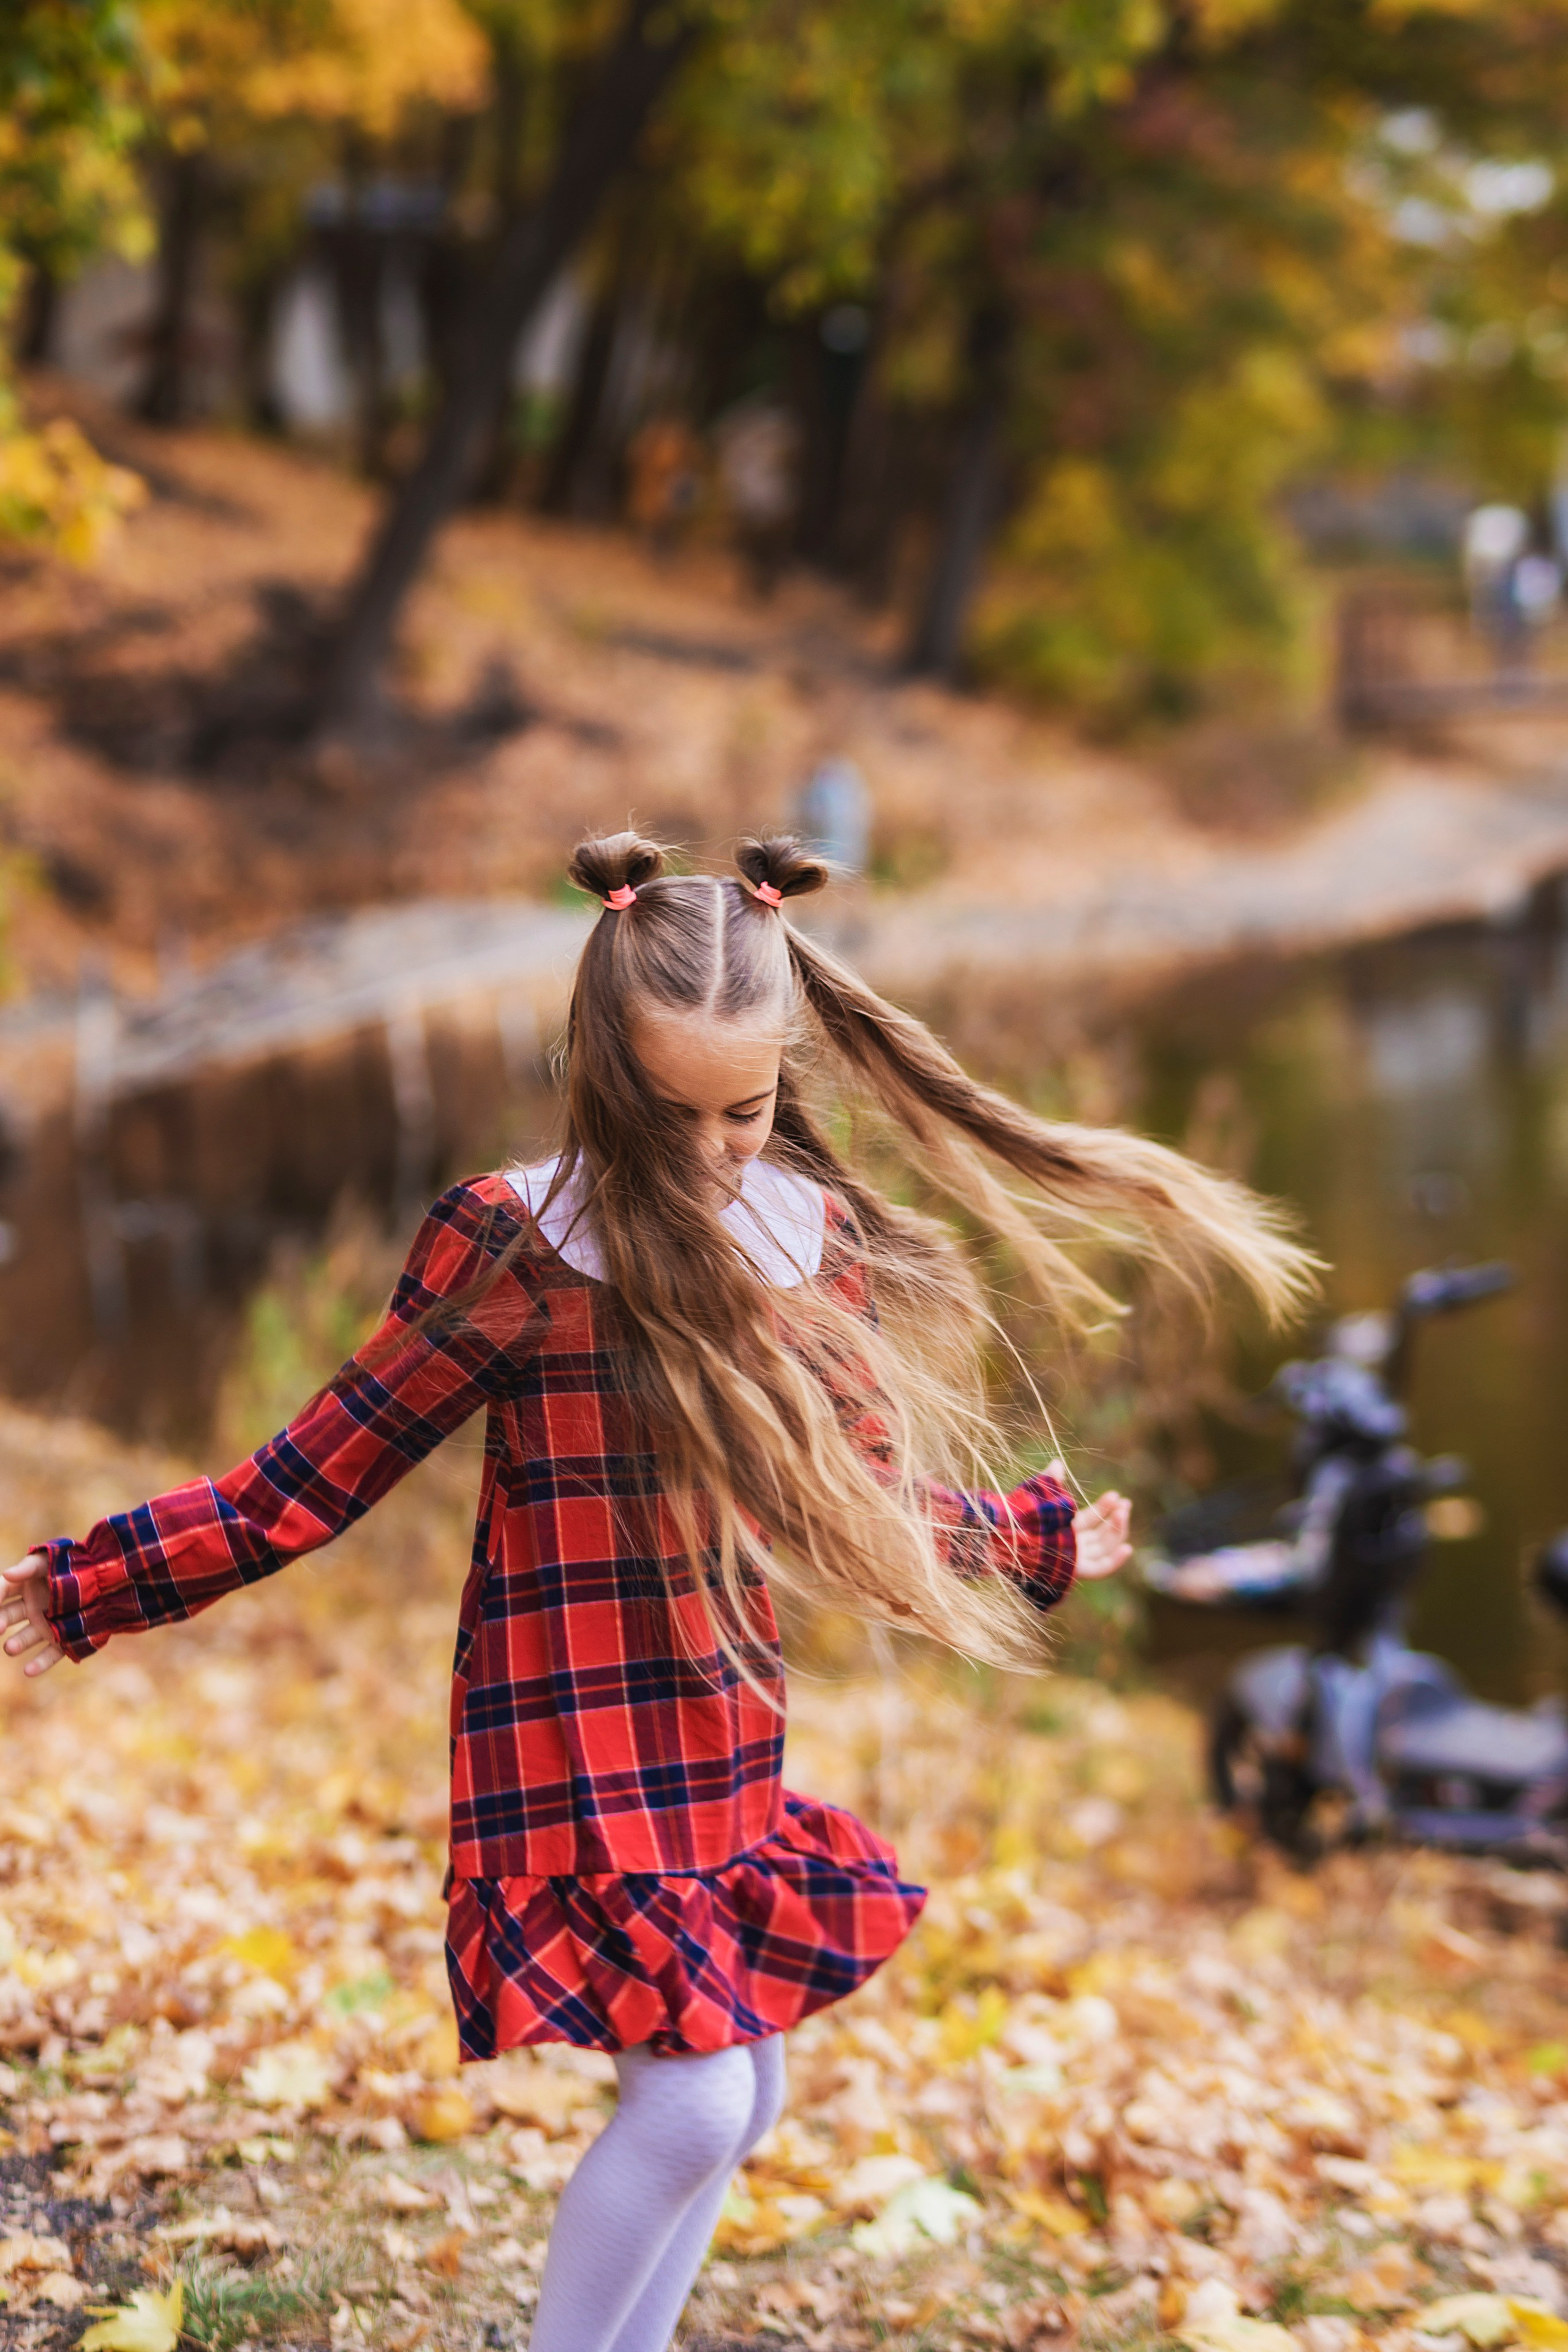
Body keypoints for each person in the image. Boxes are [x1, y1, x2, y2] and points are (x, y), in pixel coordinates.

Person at [1, 832, 1313, 2352]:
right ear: (597, 1074)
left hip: (710, 1718)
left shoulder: (802, 1237)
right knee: (690, 2101)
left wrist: (1024, 1540)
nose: (707, 1153)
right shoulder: (513, 1241)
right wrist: (91, 1586)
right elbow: (303, 1481)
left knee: (745, 2093)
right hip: (565, 1730)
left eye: (742, 1112)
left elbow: (850, 1499)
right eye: (664, 1113)